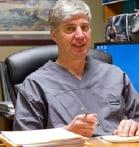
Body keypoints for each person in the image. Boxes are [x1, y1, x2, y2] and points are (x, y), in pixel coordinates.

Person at [13, 0, 139, 137]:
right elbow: (23, 139)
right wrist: (65, 133)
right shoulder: (35, 85)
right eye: (70, 28)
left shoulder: (116, 76)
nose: (80, 35)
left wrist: (134, 126)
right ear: (54, 35)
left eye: (84, 27)